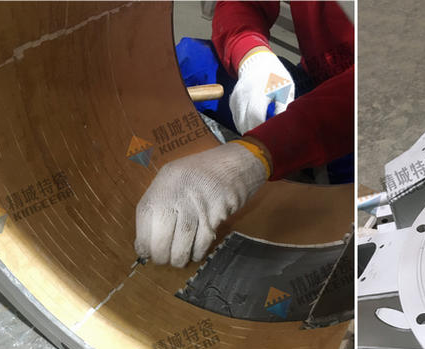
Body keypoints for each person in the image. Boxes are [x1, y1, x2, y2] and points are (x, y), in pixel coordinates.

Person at [134, 1, 354, 267]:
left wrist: (255, 155)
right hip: (313, 82)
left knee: (336, 241)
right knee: (188, 65)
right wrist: (252, 55)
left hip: (362, 124)